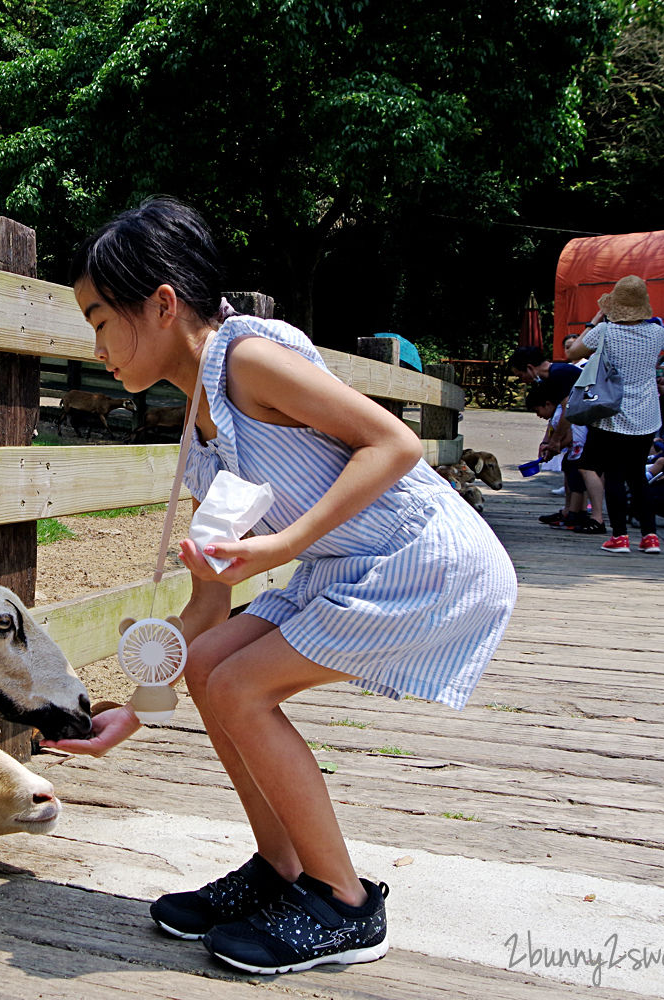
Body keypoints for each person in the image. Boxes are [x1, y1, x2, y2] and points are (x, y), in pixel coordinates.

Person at [42, 198, 517, 975]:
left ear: (162, 304)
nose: (95, 346)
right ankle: (282, 872)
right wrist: (132, 711)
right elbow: (205, 603)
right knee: (208, 668)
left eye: (99, 319)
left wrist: (285, 544)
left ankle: (346, 905)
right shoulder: (198, 422)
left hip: (424, 562)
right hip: (350, 565)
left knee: (240, 689)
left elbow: (393, 442)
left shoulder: (248, 361)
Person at [567, 275, 664, 553]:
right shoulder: (658, 334)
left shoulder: (604, 332)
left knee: (613, 476)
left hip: (610, 413)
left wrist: (596, 319)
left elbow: (573, 353)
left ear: (615, 306)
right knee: (638, 476)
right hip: (647, 416)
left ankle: (620, 537)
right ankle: (650, 537)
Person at [526, 380, 604, 533]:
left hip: (579, 449)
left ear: (548, 404)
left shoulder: (559, 415)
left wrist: (553, 449)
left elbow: (569, 437)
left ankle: (574, 513)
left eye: (538, 411)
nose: (538, 415)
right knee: (572, 476)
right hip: (576, 449)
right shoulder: (558, 413)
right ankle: (574, 511)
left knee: (576, 483)